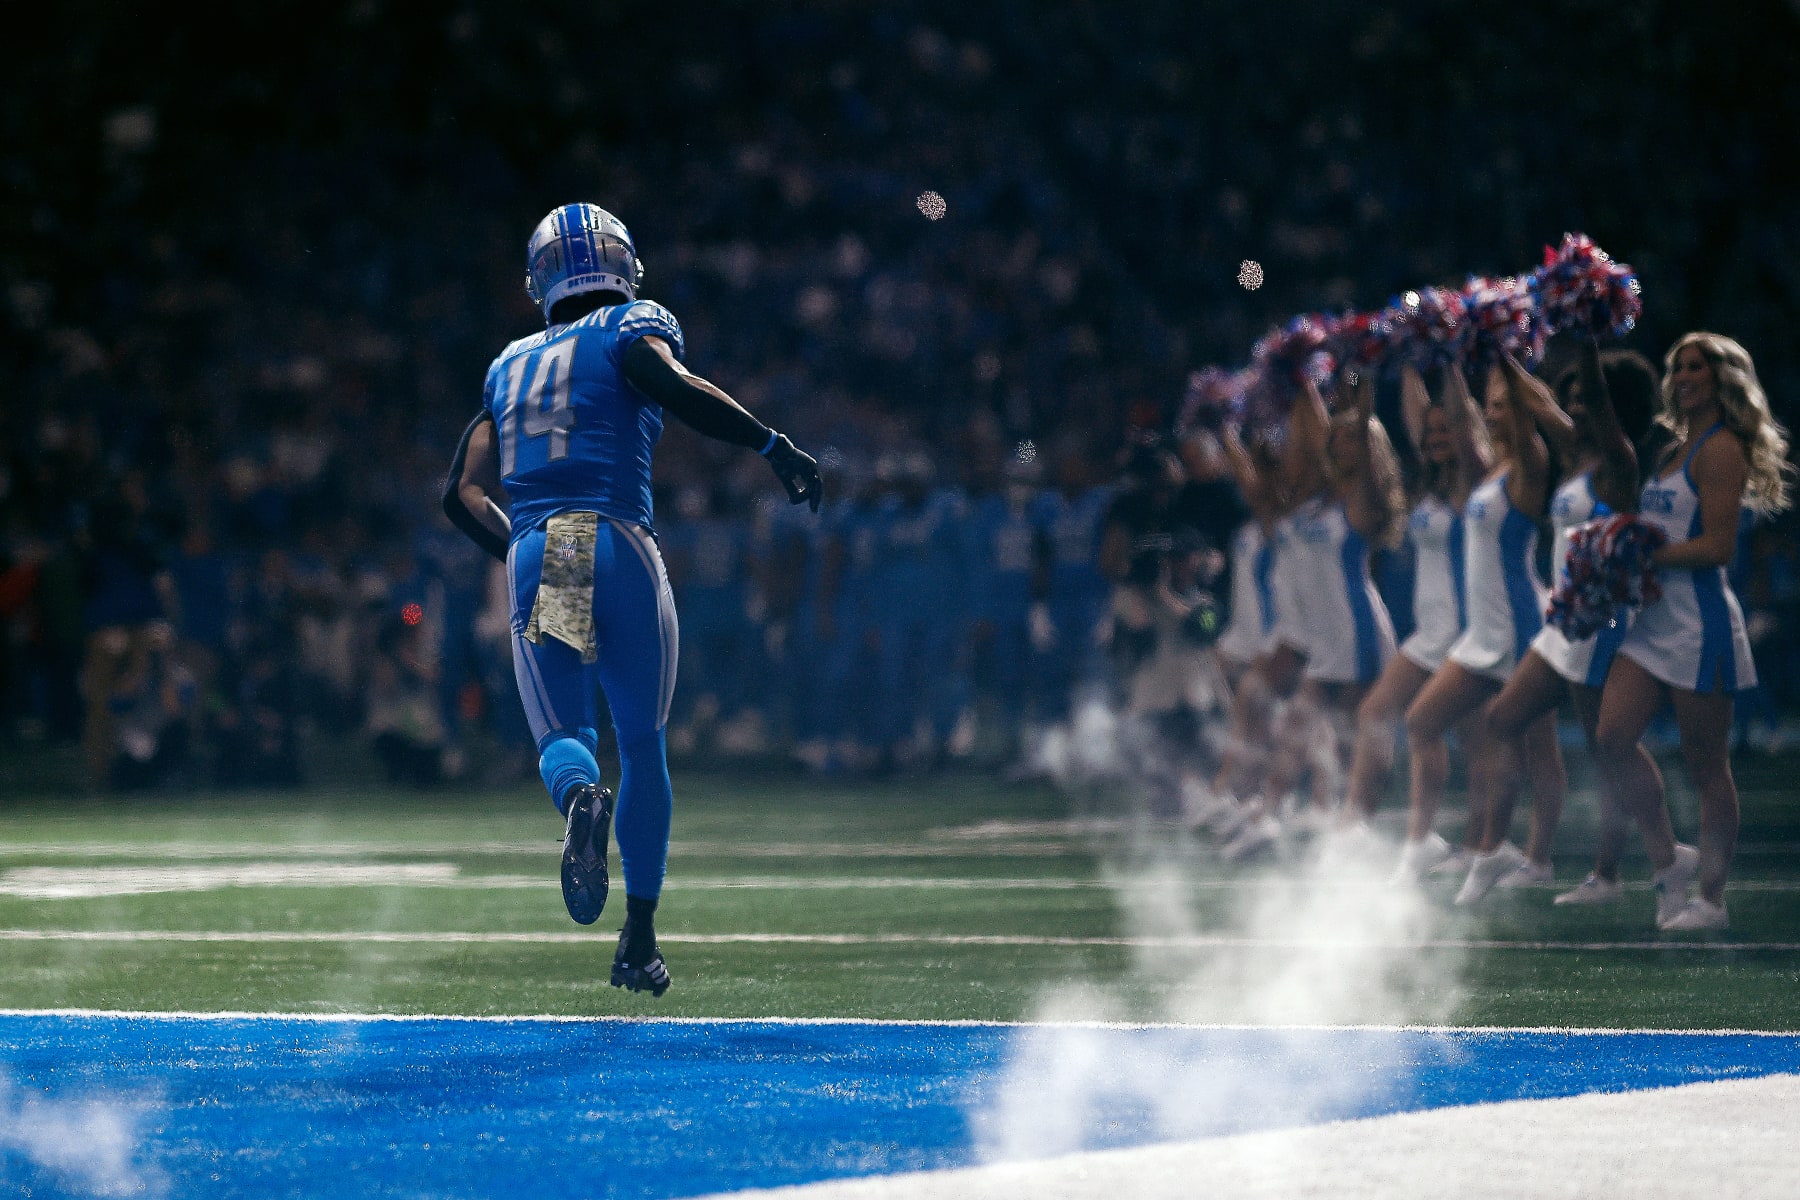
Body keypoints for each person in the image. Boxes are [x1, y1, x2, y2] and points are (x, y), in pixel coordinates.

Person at [443, 204, 822, 995]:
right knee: (643, 742)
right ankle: (640, 938)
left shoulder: (508, 362)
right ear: (620, 262)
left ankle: (582, 800)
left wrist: (524, 549)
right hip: (618, 538)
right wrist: (770, 444)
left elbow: (461, 492)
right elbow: (667, 382)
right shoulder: (628, 323)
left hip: (551, 545)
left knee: (564, 737)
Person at [1593, 332, 1792, 930]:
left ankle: (1712, 900)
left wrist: (1645, 557)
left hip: (1699, 623)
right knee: (1609, 739)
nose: (1685, 377)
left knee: (1707, 765)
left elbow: (1718, 547)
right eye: (1678, 367)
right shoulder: (1671, 449)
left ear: (1722, 377)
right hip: (1652, 620)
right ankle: (1667, 858)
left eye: (1697, 367)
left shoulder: (1720, 449)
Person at [1483, 342, 1657, 900]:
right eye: (1573, 400)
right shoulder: (1575, 456)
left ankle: (1610, 872)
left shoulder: (1619, 463)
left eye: (1587, 399)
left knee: (1607, 748)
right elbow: (1535, 399)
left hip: (1600, 622)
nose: (1576, 408)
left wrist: (1585, 336)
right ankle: (1513, 849)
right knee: (1504, 717)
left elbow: (1599, 407)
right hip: (1564, 620)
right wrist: (1498, 349)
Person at [1395, 355, 1565, 898]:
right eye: (1489, 405)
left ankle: (1520, 853)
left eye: (1504, 405)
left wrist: (1499, 352)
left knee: (1531, 746)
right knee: (1424, 720)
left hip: (1517, 624)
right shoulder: (1489, 469)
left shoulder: (1532, 462)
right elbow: (1455, 426)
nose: (1493, 415)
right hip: (1483, 631)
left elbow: (1492, 424)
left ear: (1527, 408)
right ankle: (1466, 847)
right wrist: (1445, 355)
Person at [1340, 364, 1484, 837]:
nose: (1437, 436)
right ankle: (1357, 828)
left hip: (1468, 626)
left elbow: (1459, 425)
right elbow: (1415, 416)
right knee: (1376, 713)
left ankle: (1474, 842)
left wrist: (1447, 357)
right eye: (1431, 432)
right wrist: (1404, 359)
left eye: (1448, 430)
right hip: (1430, 630)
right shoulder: (1429, 487)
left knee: (1467, 733)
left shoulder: (1471, 482)